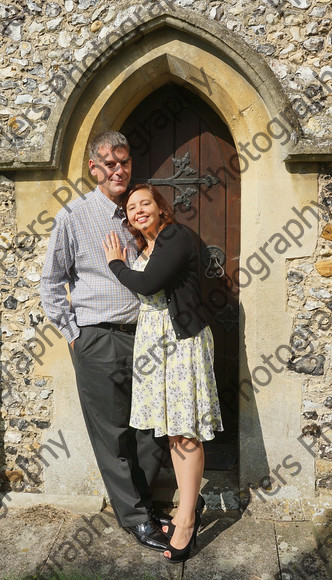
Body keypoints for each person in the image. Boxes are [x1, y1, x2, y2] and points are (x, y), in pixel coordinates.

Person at [40, 132, 170, 552]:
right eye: (108, 164)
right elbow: (51, 283)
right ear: (94, 169)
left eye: (124, 161)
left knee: (153, 428)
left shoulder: (139, 210)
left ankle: (142, 502)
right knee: (113, 436)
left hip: (147, 336)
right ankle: (136, 519)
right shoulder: (74, 217)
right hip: (98, 339)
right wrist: (75, 336)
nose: (118, 170)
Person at [103, 183, 223, 563]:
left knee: (184, 428)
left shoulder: (174, 235)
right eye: (131, 207)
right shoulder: (147, 246)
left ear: (160, 208)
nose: (138, 210)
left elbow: (147, 283)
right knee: (172, 428)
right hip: (155, 343)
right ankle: (191, 503)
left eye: (145, 203)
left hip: (180, 341)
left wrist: (115, 264)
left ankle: (186, 519)